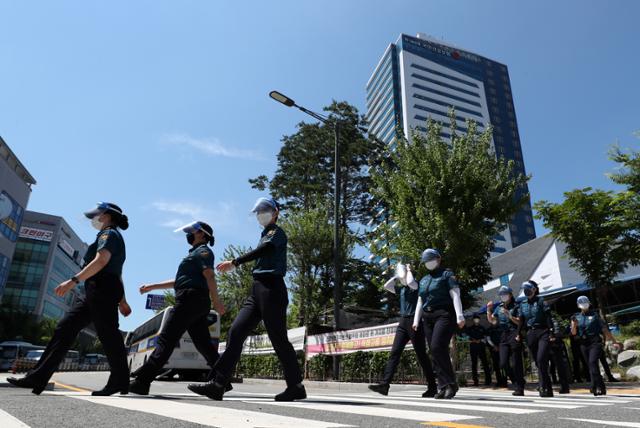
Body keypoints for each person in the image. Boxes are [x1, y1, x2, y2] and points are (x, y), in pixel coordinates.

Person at [188, 197, 306, 402]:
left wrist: (236, 261)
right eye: (259, 211)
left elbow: (266, 250)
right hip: (257, 289)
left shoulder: (276, 233)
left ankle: (295, 386)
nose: (261, 214)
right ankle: (218, 383)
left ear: (276, 212)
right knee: (236, 332)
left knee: (278, 338)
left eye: (265, 210)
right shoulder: (264, 234)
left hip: (272, 288)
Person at [8, 202, 131, 395]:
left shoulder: (109, 234)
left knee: (109, 335)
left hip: (102, 287)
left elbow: (102, 261)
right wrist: (122, 300)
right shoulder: (109, 235)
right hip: (99, 288)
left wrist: (72, 281)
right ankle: (37, 377)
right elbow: (118, 272)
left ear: (106, 215)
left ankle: (120, 381)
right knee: (65, 327)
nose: (95, 219)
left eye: (97, 215)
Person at [129, 221, 226, 395]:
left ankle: (142, 382)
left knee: (166, 339)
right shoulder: (194, 254)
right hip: (194, 300)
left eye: (192, 231)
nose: (188, 234)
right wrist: (152, 286)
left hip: (191, 299)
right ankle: (222, 380)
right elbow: (179, 281)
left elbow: (209, 275)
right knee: (203, 344)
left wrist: (217, 301)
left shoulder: (204, 251)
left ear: (202, 235)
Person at [368, 263, 437, 397]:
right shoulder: (402, 289)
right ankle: (384, 385)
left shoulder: (415, 286)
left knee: (421, 355)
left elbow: (411, 281)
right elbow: (387, 286)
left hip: (414, 322)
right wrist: (396, 275)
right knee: (394, 353)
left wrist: (409, 270)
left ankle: (432, 386)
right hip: (403, 322)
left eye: (403, 274)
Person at [412, 249, 465, 400]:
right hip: (427, 317)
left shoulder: (447, 275)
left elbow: (455, 295)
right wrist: (416, 320)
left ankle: (451, 384)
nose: (428, 263)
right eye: (425, 261)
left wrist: (460, 315)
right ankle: (443, 386)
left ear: (438, 259)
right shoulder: (423, 280)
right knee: (434, 352)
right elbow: (420, 301)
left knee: (437, 346)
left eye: (430, 259)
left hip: (444, 314)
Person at [570, 296, 622, 396]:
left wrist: (614, 341)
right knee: (590, 366)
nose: (583, 304)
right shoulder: (575, 317)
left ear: (589, 304)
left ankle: (597, 386)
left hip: (595, 343)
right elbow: (573, 333)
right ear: (578, 305)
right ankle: (598, 387)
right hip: (583, 344)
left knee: (593, 362)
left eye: (585, 302)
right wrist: (574, 324)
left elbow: (605, 330)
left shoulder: (595, 316)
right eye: (581, 303)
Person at [514, 280, 554, 397]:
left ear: (534, 289)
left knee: (541, 359)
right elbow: (521, 320)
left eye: (529, 288)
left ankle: (543, 386)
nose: (526, 291)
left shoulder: (541, 301)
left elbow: (548, 317)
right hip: (531, 333)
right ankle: (547, 387)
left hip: (543, 332)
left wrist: (551, 332)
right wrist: (518, 334)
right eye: (524, 289)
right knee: (538, 362)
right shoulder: (523, 304)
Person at [486, 285, 525, 396]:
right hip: (504, 335)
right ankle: (516, 381)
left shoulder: (517, 306)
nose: (503, 296)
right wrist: (489, 311)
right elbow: (493, 322)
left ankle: (519, 387)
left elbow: (520, 322)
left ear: (510, 295)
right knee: (503, 363)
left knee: (516, 362)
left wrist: (510, 315)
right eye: (501, 295)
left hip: (514, 333)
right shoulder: (499, 307)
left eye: (505, 294)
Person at [464, 314, 491, 387]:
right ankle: (475, 381)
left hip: (481, 347)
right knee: (474, 364)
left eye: (477, 318)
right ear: (473, 320)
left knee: (485, 363)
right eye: (475, 318)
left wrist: (480, 340)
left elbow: (486, 337)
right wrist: (472, 340)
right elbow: (466, 336)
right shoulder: (470, 328)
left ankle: (488, 380)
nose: (476, 320)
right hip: (473, 347)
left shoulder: (482, 328)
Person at [548, 315, 571, 393]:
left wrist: (554, 337)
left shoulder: (554, 320)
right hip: (549, 343)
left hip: (555, 343)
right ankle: (548, 382)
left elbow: (561, 331)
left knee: (559, 364)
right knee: (549, 364)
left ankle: (564, 384)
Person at [486, 322, 507, 387]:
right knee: (496, 366)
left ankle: (504, 381)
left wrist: (500, 346)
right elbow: (488, 339)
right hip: (493, 349)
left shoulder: (501, 328)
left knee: (503, 365)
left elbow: (504, 337)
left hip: (502, 348)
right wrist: (494, 346)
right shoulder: (489, 329)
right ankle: (499, 381)